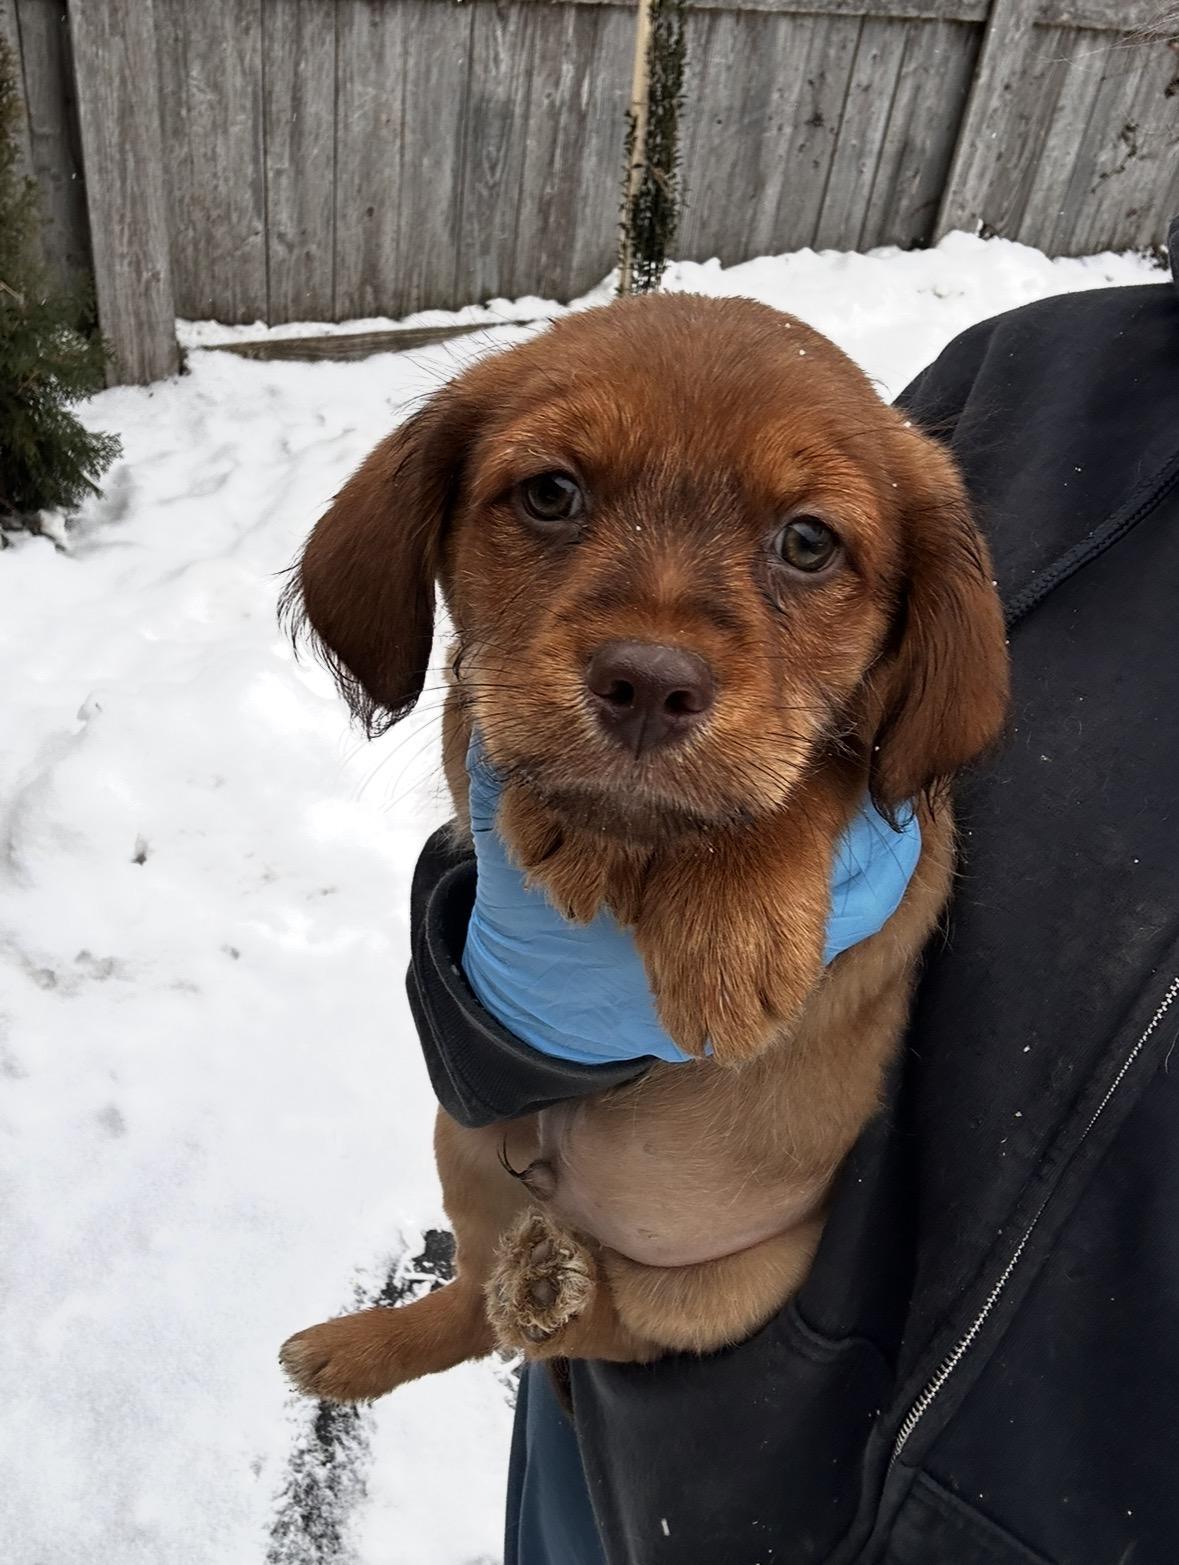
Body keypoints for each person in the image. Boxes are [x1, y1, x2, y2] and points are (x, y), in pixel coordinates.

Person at [407, 215, 1179, 1564]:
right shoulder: (1051, 385)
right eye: (550, 496)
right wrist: (501, 1002)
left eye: (804, 547)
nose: (657, 650)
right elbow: (880, 714)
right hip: (640, 1431)